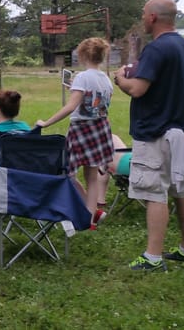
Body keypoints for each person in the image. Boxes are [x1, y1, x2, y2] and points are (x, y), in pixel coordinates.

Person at [113, 0, 184, 271]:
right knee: (181, 189)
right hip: (182, 132)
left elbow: (137, 89)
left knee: (154, 192)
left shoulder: (157, 49)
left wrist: (120, 78)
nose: (143, 18)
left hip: (156, 132)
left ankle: (153, 257)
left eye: (144, 13)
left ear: (153, 18)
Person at [36, 37, 115, 228]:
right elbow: (96, 103)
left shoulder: (82, 77)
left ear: (82, 55)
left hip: (82, 130)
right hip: (101, 128)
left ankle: (81, 211)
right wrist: (75, 89)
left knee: (69, 173)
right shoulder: (106, 79)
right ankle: (89, 218)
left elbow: (72, 107)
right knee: (92, 176)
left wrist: (46, 123)